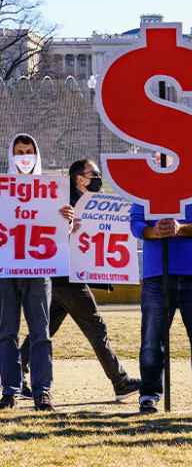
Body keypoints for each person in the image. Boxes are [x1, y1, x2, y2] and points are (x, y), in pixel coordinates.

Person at [19, 159, 140, 400]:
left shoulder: (89, 203)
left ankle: (14, 373)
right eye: (93, 174)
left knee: (42, 330)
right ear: (79, 177)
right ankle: (121, 382)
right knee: (97, 328)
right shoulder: (65, 204)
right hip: (67, 277)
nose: (97, 178)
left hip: (61, 277)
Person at [130, 178, 192, 414]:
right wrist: (153, 232)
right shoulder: (146, 184)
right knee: (152, 340)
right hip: (157, 274)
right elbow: (135, 223)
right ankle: (149, 395)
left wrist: (181, 228)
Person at [0, 134, 73, 411]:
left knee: (40, 332)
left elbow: (59, 235)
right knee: (6, 332)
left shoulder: (51, 189)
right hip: (6, 269)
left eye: (28, 151)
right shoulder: (3, 189)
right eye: (19, 151)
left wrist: (66, 220)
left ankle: (42, 391)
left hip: (39, 270)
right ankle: (10, 390)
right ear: (11, 155)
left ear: (36, 153)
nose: (24, 156)